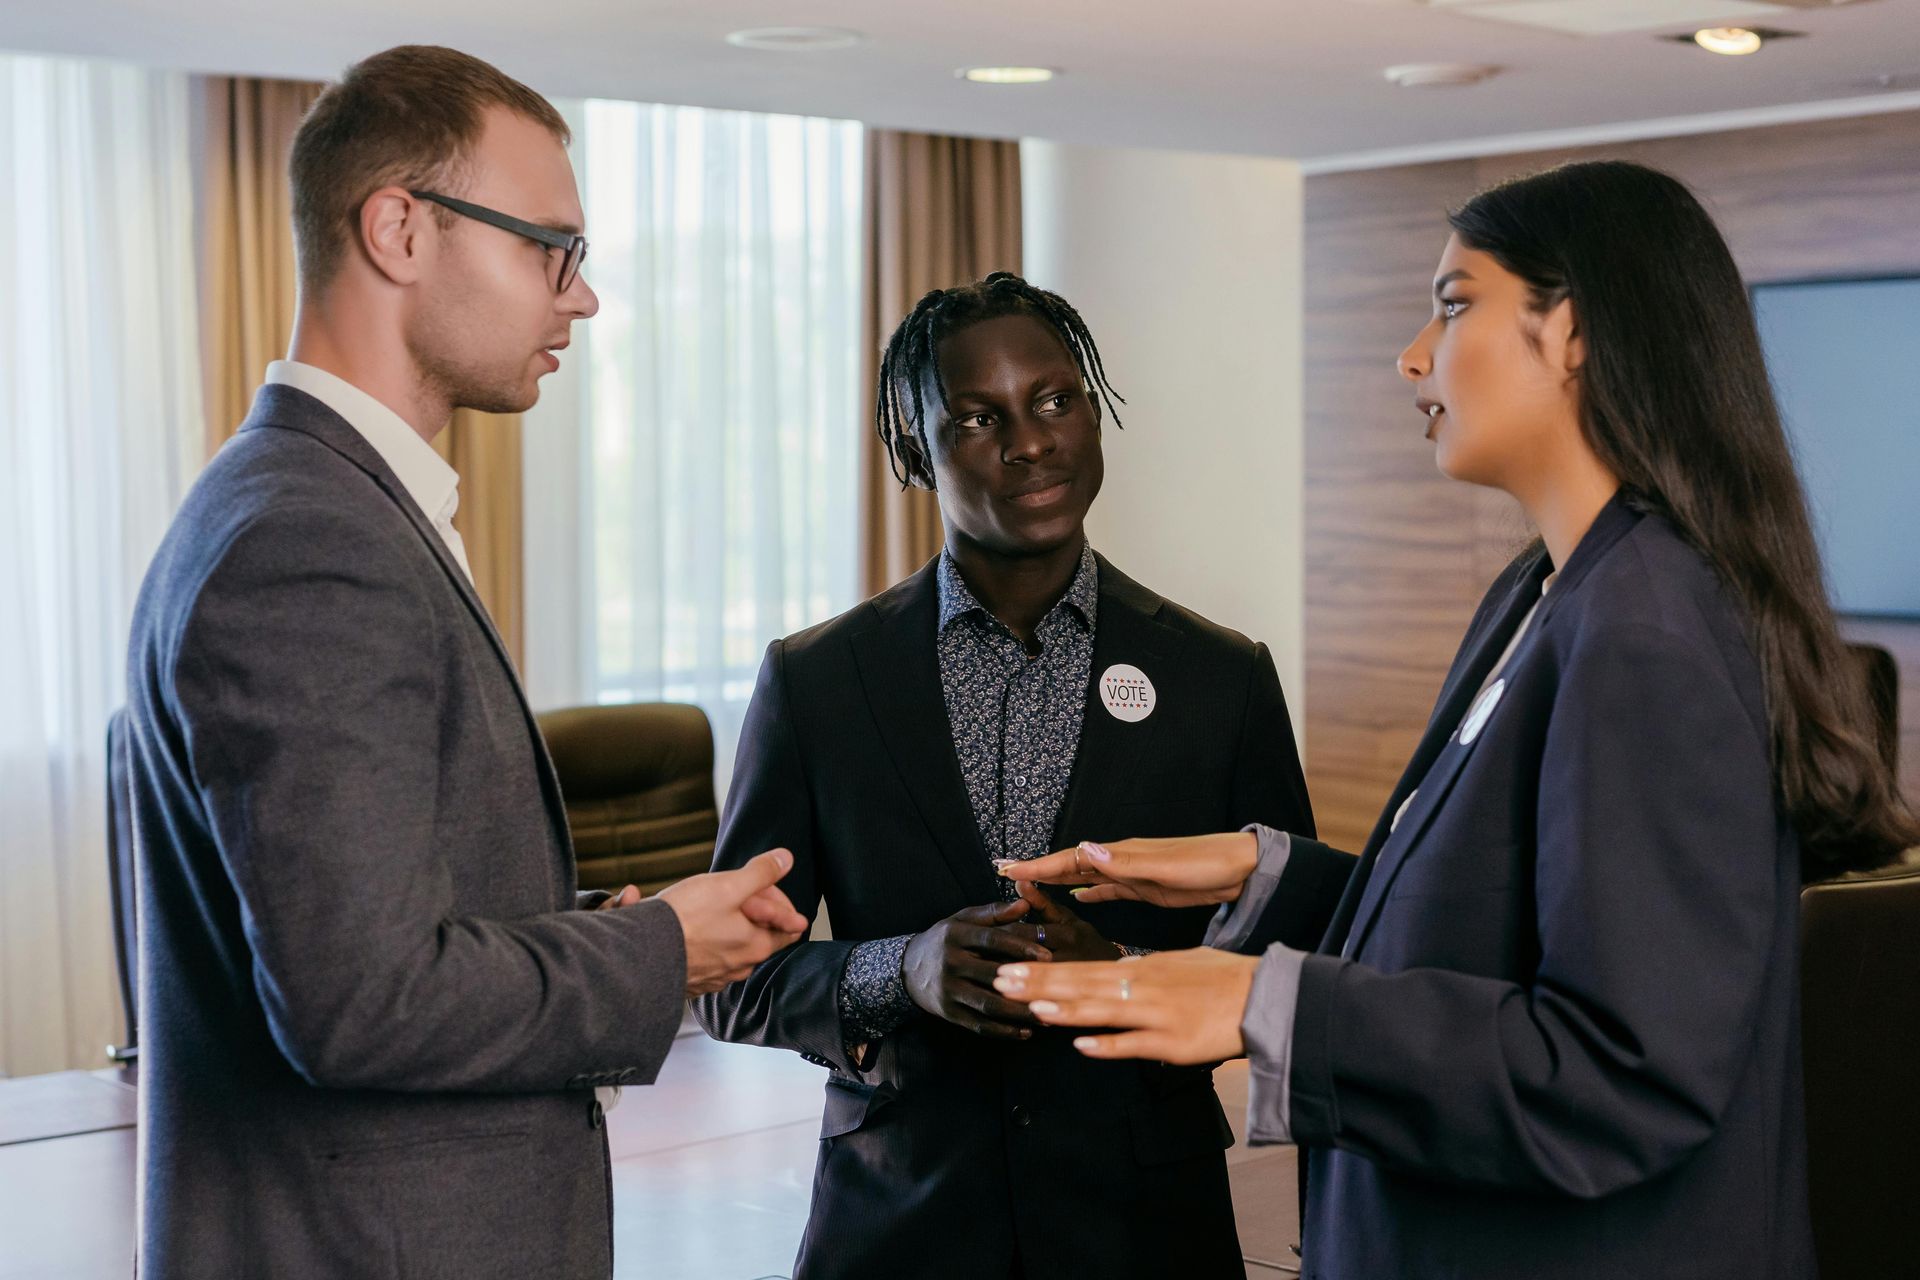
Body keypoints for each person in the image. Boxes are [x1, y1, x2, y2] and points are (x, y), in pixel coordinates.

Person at [996, 160, 1919, 1278]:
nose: (1413, 354)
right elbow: (1498, 930)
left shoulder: (1646, 631)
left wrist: (1263, 1002)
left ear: (1571, 329)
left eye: (1452, 302)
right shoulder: (1543, 592)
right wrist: (1261, 873)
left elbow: (1622, 1072)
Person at [124, 45, 807, 1278]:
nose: (581, 298)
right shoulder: (308, 540)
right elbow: (361, 1001)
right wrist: (661, 953)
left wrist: (623, 925)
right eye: (552, 247)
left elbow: (383, 921)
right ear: (398, 228)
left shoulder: (310, 503)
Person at [694, 272, 1316, 1279]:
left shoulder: (1221, 677)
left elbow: (1298, 954)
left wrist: (1120, 968)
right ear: (913, 447)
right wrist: (898, 969)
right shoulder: (817, 680)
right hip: (898, 1225)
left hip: (1147, 1227)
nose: (1031, 442)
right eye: (980, 417)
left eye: (1056, 399)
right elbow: (728, 976)